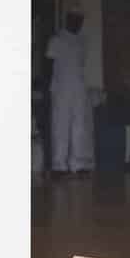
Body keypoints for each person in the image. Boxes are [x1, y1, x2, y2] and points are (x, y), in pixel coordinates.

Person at [45, 9, 93, 174]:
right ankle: (59, 165)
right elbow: (49, 65)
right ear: (68, 20)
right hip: (61, 88)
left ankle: (78, 164)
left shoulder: (82, 41)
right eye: (75, 19)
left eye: (81, 20)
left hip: (78, 87)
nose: (79, 23)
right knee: (60, 125)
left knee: (79, 125)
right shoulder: (56, 40)